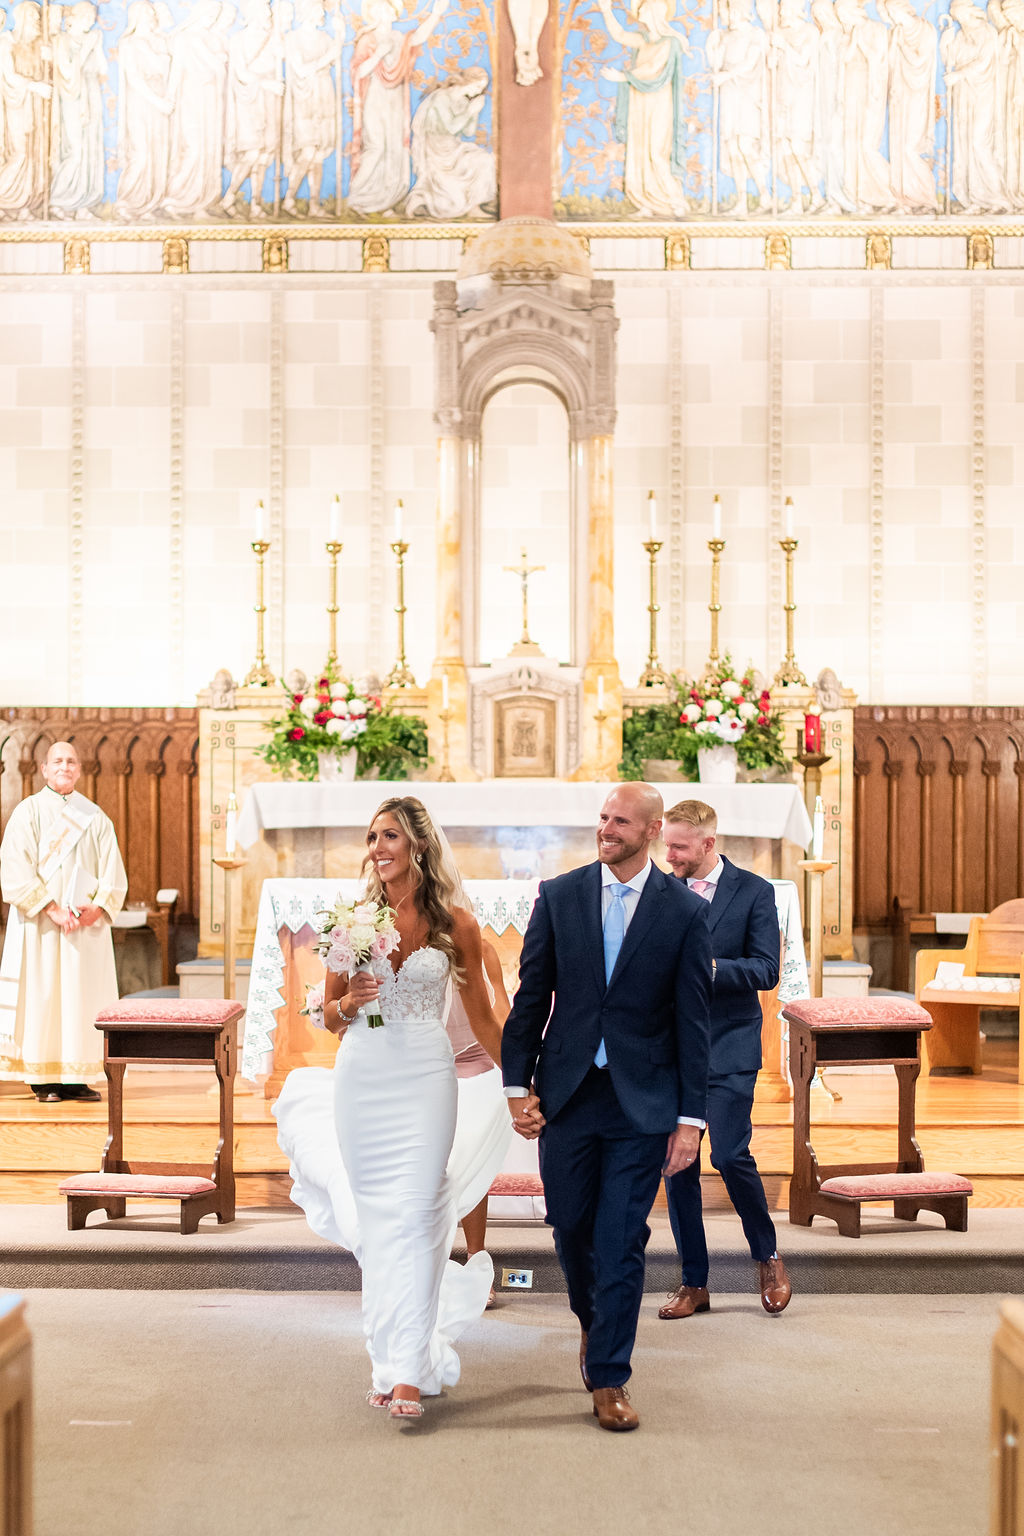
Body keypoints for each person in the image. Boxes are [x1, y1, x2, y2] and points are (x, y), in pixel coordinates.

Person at [273, 796, 507, 1422]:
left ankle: (408, 1368)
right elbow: (327, 1017)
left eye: (390, 838)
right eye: (372, 838)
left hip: (427, 1075)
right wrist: (350, 1001)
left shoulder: (455, 924)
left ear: (420, 847)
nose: (377, 849)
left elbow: (483, 1019)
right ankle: (393, 1360)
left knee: (423, 1208)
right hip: (364, 1076)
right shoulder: (350, 920)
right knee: (381, 1219)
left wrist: (527, 1081)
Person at [502, 782, 711, 1432]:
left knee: (623, 1241)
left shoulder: (682, 911)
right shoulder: (560, 896)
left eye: (621, 820)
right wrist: (517, 1086)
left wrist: (690, 1118)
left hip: (641, 1101)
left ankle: (611, 1376)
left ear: (651, 831)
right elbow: (531, 996)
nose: (607, 828)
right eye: (603, 818)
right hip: (568, 1093)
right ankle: (594, 1323)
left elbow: (691, 1023)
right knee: (570, 1228)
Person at [657, 800, 792, 1321]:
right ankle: (695, 1282)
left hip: (728, 1044)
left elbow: (765, 970)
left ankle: (768, 1256)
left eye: (679, 848)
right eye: (666, 845)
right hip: (671, 1049)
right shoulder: (662, 890)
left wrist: (707, 969)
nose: (669, 856)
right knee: (678, 1165)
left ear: (708, 844)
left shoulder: (755, 892)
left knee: (731, 1156)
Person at [0, 742, 127, 1103]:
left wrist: (99, 908)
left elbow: (112, 872)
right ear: (43, 768)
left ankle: (77, 1076)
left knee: (82, 998)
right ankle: (44, 1079)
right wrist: (49, 908)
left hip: (83, 929)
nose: (65, 766)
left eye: (71, 761)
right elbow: (14, 866)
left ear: (79, 769)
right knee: (44, 995)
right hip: (41, 925)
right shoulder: (29, 812)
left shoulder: (95, 817)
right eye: (58, 761)